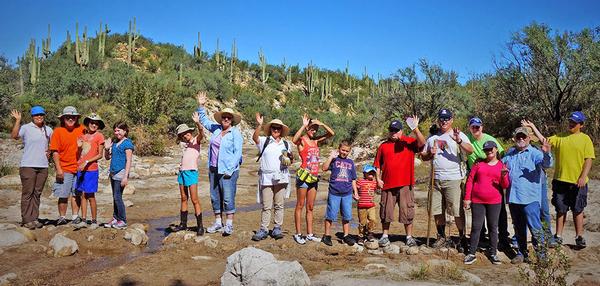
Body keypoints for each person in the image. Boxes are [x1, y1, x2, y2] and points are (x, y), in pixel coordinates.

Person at [523, 111, 595, 248]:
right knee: (561, 209)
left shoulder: (585, 139)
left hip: (578, 182)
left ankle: (579, 236)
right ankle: (558, 236)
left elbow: (589, 160)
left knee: (578, 209)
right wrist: (532, 126)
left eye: (574, 122)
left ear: (581, 125)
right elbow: (544, 141)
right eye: (570, 121)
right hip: (560, 180)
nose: (571, 124)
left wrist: (582, 177)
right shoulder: (560, 137)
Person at [422, 109, 473, 250]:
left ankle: (462, 238)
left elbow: (470, 150)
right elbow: (423, 156)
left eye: (447, 118)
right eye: (441, 118)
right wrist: (429, 154)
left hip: (454, 179)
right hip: (435, 179)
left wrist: (459, 141)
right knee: (437, 209)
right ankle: (441, 236)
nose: (444, 121)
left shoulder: (458, 134)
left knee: (456, 211)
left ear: (452, 120)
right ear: (438, 120)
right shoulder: (432, 138)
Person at [502, 127, 553, 264]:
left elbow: (546, 164)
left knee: (535, 227)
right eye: (518, 137)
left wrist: (546, 153)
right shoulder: (510, 153)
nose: (521, 139)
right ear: (514, 138)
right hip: (513, 197)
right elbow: (500, 165)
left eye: (523, 137)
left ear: (529, 138)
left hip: (530, 198)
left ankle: (542, 256)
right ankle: (521, 253)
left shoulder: (535, 153)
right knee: (518, 227)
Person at [196, 91, 243, 236]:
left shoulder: (235, 133)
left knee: (228, 197)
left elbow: (238, 153)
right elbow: (203, 120)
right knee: (214, 196)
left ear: (232, 120)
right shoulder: (216, 129)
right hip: (213, 168)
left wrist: (230, 169)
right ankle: (218, 222)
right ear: (221, 119)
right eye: (224, 117)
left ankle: (229, 224)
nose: (226, 119)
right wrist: (201, 105)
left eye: (229, 118)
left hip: (228, 170)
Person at [374, 117, 425, 247]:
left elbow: (422, 143)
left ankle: (409, 237)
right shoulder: (383, 146)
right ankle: (385, 235)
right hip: (387, 184)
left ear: (401, 131)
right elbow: (378, 165)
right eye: (391, 130)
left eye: (396, 130)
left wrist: (416, 129)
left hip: (405, 184)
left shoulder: (409, 142)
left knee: (407, 211)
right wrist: (378, 179)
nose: (394, 133)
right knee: (385, 211)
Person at [466, 117, 510, 248]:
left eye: (477, 127)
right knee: (479, 212)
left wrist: (498, 168)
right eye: (473, 127)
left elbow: (501, 153)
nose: (475, 129)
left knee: (498, 212)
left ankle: (503, 238)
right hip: (477, 173)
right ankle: (481, 237)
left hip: (494, 177)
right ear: (469, 128)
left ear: (482, 127)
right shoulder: (467, 138)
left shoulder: (489, 139)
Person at [463, 141, 510, 265]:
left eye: (491, 149)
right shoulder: (478, 164)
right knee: (476, 227)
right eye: (486, 150)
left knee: (493, 227)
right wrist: (467, 198)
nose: (489, 151)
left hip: (495, 201)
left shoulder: (501, 166)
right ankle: (472, 253)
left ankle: (493, 253)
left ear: (496, 150)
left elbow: (505, 185)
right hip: (477, 200)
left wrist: (504, 176)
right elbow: (470, 181)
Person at [291, 114, 335, 244]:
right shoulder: (302, 141)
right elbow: (294, 140)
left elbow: (331, 133)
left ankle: (309, 234)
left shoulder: (316, 141)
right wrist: (304, 125)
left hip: (314, 177)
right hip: (304, 177)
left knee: (310, 207)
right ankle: (298, 234)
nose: (313, 131)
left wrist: (321, 123)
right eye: (311, 128)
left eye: (315, 129)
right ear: (307, 128)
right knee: (300, 205)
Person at [251, 114, 293, 241]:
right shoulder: (265, 140)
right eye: (274, 128)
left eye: (278, 128)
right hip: (267, 177)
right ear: (270, 129)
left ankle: (277, 228)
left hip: (281, 176)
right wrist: (259, 125)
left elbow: (290, 159)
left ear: (281, 130)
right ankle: (264, 229)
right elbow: (255, 138)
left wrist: (290, 159)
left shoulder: (286, 143)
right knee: (266, 205)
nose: (276, 130)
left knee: (279, 204)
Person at [10, 106, 53, 229]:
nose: (39, 117)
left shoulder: (48, 130)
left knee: (37, 193)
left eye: (41, 114)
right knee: (28, 193)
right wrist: (18, 120)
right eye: (36, 115)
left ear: (44, 115)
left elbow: (53, 144)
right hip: (28, 165)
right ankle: (26, 219)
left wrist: (50, 150)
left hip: (43, 166)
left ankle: (34, 218)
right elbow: (14, 136)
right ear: (32, 117)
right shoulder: (26, 128)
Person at [49, 106, 85, 226]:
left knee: (77, 194)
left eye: (73, 117)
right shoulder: (58, 131)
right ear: (63, 118)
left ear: (76, 118)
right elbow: (55, 152)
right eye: (68, 117)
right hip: (64, 168)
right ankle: (62, 217)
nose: (70, 119)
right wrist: (59, 169)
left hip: (79, 168)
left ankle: (75, 216)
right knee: (63, 194)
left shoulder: (82, 129)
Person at [172, 111, 205, 236]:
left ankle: (200, 226)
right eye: (183, 135)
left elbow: (202, 133)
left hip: (191, 173)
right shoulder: (184, 145)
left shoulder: (196, 140)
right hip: (182, 173)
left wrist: (198, 123)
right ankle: (183, 224)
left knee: (195, 199)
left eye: (186, 133)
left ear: (190, 132)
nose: (186, 135)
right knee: (184, 198)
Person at [321, 141, 358, 246]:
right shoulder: (334, 160)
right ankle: (326, 235)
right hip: (334, 192)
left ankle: (346, 235)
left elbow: (353, 179)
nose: (344, 152)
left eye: (347, 151)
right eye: (343, 150)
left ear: (349, 152)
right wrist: (330, 157)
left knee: (347, 216)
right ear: (339, 149)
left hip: (347, 193)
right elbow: (323, 168)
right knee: (331, 215)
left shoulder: (350, 163)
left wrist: (355, 192)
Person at [74, 113, 106, 229]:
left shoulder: (99, 136)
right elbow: (80, 153)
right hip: (80, 169)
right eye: (92, 122)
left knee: (90, 195)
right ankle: (83, 219)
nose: (93, 125)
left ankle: (93, 221)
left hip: (91, 169)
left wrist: (86, 162)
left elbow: (99, 155)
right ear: (87, 123)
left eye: (96, 123)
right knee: (82, 194)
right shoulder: (83, 136)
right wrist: (78, 147)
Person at [103, 122, 134, 229]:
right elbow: (107, 158)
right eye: (115, 130)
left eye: (119, 130)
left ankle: (122, 220)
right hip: (113, 172)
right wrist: (106, 148)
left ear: (125, 131)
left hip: (121, 172)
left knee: (117, 197)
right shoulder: (115, 143)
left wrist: (125, 177)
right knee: (115, 197)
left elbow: (129, 160)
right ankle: (116, 218)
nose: (116, 133)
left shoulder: (127, 143)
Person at [356, 164, 378, 244]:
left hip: (371, 206)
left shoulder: (375, 183)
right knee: (362, 222)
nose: (371, 174)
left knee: (372, 220)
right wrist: (354, 195)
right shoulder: (360, 181)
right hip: (361, 206)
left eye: (373, 173)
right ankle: (361, 236)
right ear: (364, 173)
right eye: (369, 173)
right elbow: (354, 189)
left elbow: (379, 186)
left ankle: (370, 234)